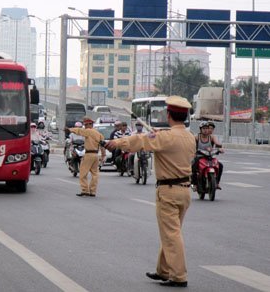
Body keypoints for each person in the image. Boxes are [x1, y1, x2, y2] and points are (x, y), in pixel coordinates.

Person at [105, 96, 195, 287]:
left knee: (171, 234)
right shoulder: (189, 137)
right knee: (171, 232)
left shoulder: (166, 136)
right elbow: (159, 141)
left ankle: (179, 276)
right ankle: (164, 271)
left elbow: (139, 141)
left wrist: (117, 143)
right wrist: (158, 135)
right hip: (185, 191)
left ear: (169, 115)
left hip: (168, 191)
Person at [65, 117, 106, 197]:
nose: (85, 126)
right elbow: (102, 146)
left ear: (90, 124)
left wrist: (70, 130)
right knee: (95, 174)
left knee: (83, 173)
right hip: (95, 155)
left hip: (89, 154)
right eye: (85, 125)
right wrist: (103, 155)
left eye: (86, 124)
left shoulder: (89, 131)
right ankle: (92, 191)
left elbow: (80, 131)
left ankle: (85, 190)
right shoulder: (99, 134)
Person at [192, 121, 224, 189]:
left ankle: (217, 183)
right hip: (199, 156)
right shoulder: (196, 137)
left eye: (207, 128)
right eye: (204, 128)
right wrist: (193, 152)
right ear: (200, 129)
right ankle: (194, 184)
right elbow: (192, 146)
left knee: (220, 165)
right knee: (193, 165)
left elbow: (217, 143)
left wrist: (220, 148)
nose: (206, 130)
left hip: (210, 156)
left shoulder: (212, 137)